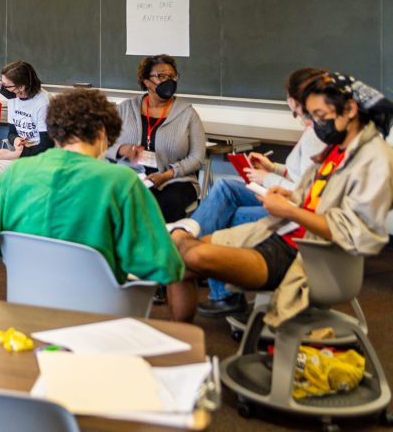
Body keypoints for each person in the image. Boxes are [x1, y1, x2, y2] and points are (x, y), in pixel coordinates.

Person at [167, 72, 393, 325]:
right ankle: (181, 342)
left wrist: (289, 209)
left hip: (307, 256)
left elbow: (357, 234)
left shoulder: (376, 159)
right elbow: (317, 198)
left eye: (319, 116)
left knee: (192, 256)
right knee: (178, 256)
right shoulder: (338, 150)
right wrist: (292, 196)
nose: (315, 125)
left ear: (350, 109)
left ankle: (179, 238)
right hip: (282, 234)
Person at [0, 88, 185, 285]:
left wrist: (13, 249)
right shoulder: (121, 182)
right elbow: (164, 267)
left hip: (29, 304)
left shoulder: (17, 173)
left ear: (55, 131)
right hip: (101, 313)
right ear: (103, 132)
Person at [186, 67, 327, 317]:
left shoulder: (322, 135)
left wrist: (269, 177)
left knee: (227, 214)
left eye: (292, 104)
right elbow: (304, 174)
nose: (292, 111)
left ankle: (192, 256)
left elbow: (311, 192)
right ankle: (192, 248)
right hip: (283, 193)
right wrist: (274, 168)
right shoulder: (315, 129)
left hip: (294, 210)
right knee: (224, 188)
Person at [110, 54, 205, 223]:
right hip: (132, 177)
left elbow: (197, 158)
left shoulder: (187, 114)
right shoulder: (125, 109)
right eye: (161, 76)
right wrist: (121, 150)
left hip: (174, 180)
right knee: (114, 198)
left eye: (172, 76)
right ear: (146, 81)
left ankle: (163, 246)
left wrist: (167, 175)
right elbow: (103, 143)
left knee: (166, 203)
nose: (168, 81)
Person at [0, 60, 51, 197]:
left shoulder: (43, 102)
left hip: (37, 159)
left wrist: (13, 154)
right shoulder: (13, 98)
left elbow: (46, 146)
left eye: (6, 85)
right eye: (2, 82)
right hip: (20, 154)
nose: (3, 89)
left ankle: (9, 210)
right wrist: (15, 139)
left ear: (22, 86)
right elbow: (11, 132)